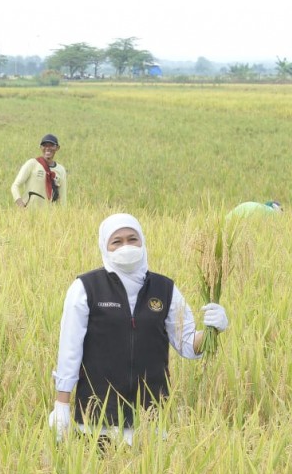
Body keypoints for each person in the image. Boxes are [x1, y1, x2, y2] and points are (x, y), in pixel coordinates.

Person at [48, 214, 229, 444]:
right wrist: (61, 404)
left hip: (151, 420)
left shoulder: (165, 289)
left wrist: (213, 329)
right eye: (117, 241)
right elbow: (69, 350)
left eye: (132, 239)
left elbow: (187, 344)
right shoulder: (86, 288)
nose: (126, 246)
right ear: (105, 246)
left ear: (142, 242)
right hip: (97, 420)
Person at [12, 134, 68, 208]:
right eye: (44, 145)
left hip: (49, 216)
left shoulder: (61, 170)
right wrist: (21, 206)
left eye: (51, 145)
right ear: (40, 147)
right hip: (28, 213)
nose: (48, 148)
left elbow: (62, 198)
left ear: (57, 148)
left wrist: (63, 216)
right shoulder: (32, 164)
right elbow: (15, 186)